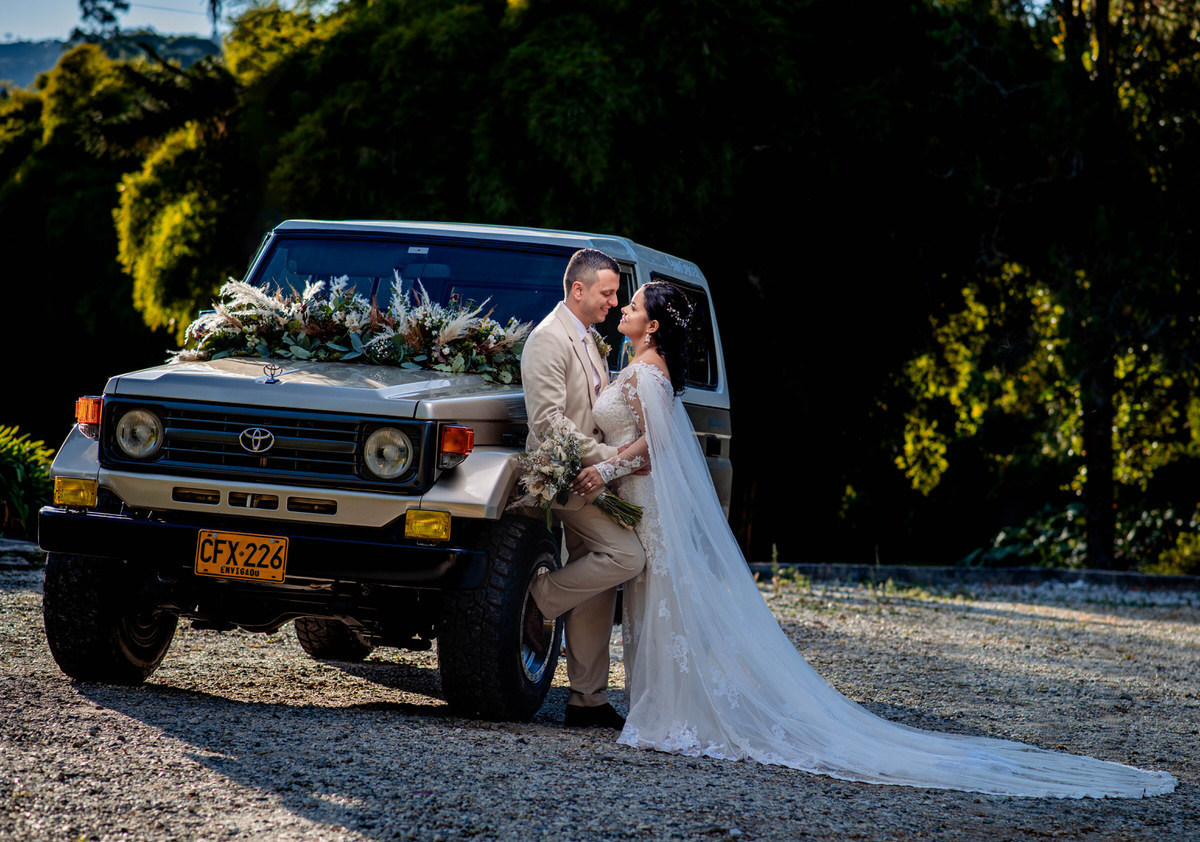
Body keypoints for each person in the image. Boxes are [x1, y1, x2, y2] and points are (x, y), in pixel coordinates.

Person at [569, 280, 1177, 798]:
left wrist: (606, 468)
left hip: (648, 502)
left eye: (633, 305)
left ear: (651, 327)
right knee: (656, 601)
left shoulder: (649, 374)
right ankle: (662, 707)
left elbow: (657, 447)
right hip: (641, 507)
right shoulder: (636, 365)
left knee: (667, 602)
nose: (623, 308)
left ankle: (669, 714)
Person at [522, 248, 645, 730]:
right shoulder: (548, 340)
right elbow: (549, 423)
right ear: (578, 290)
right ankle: (539, 596)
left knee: (596, 580)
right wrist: (611, 461)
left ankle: (586, 700)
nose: (614, 302)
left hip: (590, 474)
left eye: (616, 294)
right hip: (561, 478)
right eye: (607, 293)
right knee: (625, 556)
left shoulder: (589, 339)